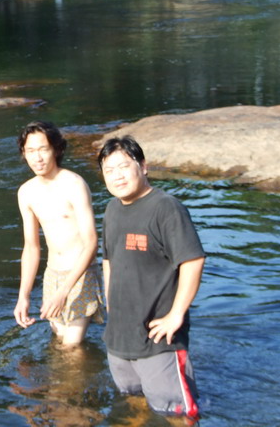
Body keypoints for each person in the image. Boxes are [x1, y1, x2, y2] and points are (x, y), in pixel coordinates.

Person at [97, 136, 205, 423]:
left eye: (124, 166)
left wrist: (176, 315)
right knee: (133, 407)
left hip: (159, 338)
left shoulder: (166, 208)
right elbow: (108, 260)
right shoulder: (111, 209)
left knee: (177, 414)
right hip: (120, 337)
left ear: (143, 167)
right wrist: (111, 307)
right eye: (109, 170)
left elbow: (193, 260)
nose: (117, 175)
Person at [14, 121, 104, 346]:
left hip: (81, 273)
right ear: (24, 153)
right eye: (30, 151)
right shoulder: (26, 192)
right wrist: (23, 296)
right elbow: (31, 247)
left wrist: (64, 292)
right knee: (60, 339)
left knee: (71, 346)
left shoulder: (74, 184)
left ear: (56, 149)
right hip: (52, 274)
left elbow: (91, 242)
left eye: (43, 149)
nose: (37, 158)